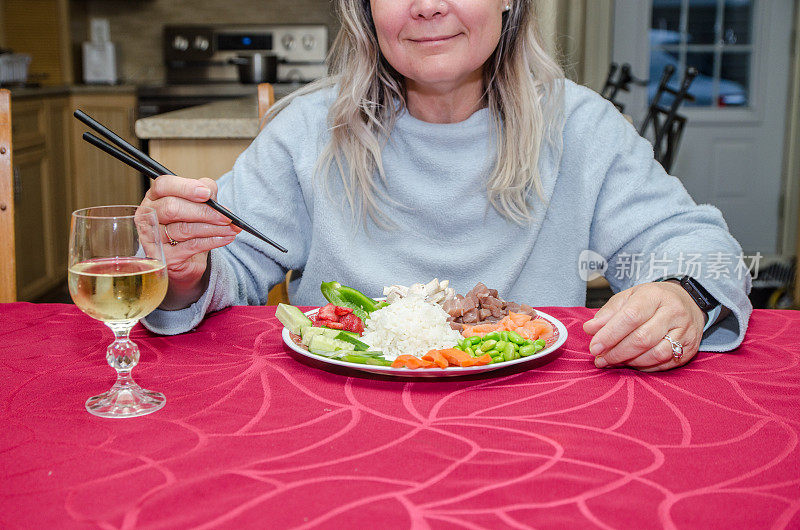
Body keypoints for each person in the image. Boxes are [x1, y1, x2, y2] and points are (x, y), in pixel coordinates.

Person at [141, 0, 752, 372]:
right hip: (341, 419)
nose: (427, 8)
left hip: (530, 419)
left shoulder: (578, 125)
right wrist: (183, 270)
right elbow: (224, 267)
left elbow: (689, 241)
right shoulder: (308, 130)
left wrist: (680, 294)